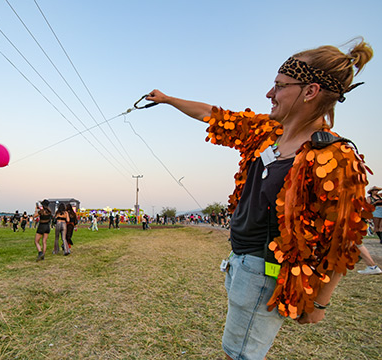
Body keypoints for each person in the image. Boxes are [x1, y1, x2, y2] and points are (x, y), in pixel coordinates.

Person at [146, 39, 374, 360]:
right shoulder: (267, 132)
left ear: (309, 92)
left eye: (280, 86)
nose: (270, 94)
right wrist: (168, 100)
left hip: (266, 275)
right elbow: (215, 116)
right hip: (238, 263)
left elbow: (344, 239)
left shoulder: (333, 156)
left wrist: (320, 302)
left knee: (237, 356)